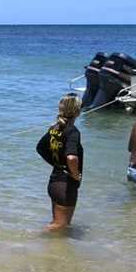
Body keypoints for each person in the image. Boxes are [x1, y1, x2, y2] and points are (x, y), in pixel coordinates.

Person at [36, 94, 83, 229]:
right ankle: (31, 236)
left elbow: (40, 148)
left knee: (59, 226)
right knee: (60, 226)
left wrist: (56, 164)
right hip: (65, 185)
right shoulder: (72, 131)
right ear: (77, 111)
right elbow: (71, 157)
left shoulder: (55, 128)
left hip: (54, 182)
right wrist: (74, 173)